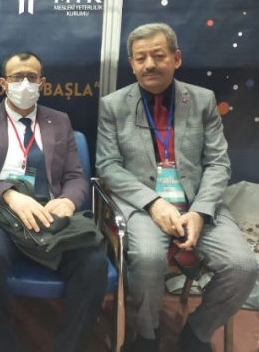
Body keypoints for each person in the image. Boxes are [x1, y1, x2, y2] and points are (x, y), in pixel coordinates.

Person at [96, 22, 258, 352]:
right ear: (132, 64)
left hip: (199, 203)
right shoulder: (113, 105)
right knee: (147, 258)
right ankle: (147, 334)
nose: (149, 64)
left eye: (158, 55)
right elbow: (108, 166)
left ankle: (197, 332)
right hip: (145, 206)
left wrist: (200, 212)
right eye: (140, 58)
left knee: (243, 267)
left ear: (176, 58)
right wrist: (153, 203)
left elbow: (218, 163)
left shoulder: (202, 100)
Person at [0, 51, 108, 352]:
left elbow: (75, 176)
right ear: (2, 83)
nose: (25, 83)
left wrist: (68, 202)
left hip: (50, 210)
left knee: (94, 262)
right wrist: (10, 195)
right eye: (17, 77)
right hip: (0, 211)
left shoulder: (59, 121)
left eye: (32, 77)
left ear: (42, 83)